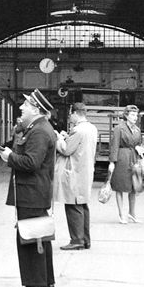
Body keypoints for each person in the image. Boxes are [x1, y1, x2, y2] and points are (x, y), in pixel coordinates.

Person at [0, 89, 57, 287]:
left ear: (36, 109)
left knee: (30, 240)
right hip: (34, 192)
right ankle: (46, 281)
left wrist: (10, 157)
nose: (21, 107)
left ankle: (34, 286)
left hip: (31, 193)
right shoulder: (39, 128)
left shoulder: (39, 132)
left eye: (26, 105)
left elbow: (32, 163)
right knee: (39, 237)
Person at [54, 102, 97, 250]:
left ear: (75, 113)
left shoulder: (78, 130)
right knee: (83, 205)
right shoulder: (92, 128)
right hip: (85, 170)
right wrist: (67, 137)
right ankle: (85, 240)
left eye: (70, 114)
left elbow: (66, 150)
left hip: (75, 172)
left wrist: (59, 138)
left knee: (73, 205)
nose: (69, 117)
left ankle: (76, 240)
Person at [107, 104, 144, 223]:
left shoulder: (137, 129)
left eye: (136, 115)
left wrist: (140, 148)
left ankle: (132, 213)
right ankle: (121, 214)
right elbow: (114, 145)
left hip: (134, 158)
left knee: (134, 186)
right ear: (126, 116)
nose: (135, 117)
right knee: (120, 186)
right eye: (132, 115)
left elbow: (139, 143)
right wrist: (112, 162)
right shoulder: (119, 128)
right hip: (122, 158)